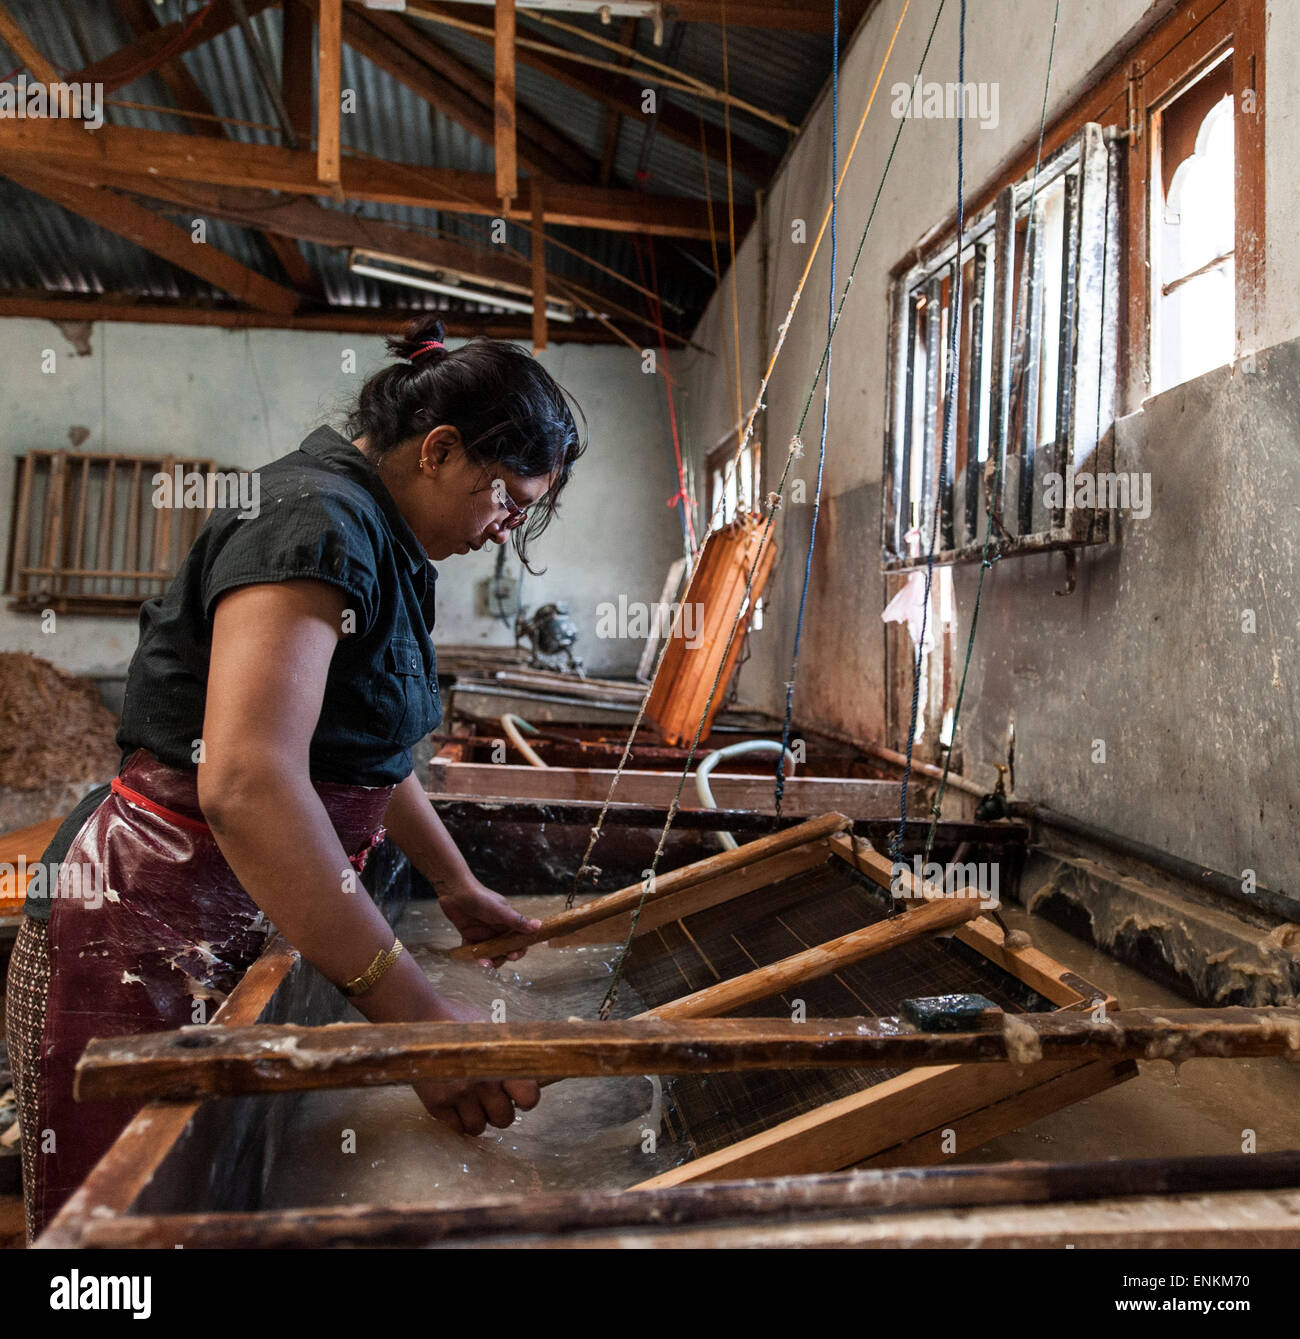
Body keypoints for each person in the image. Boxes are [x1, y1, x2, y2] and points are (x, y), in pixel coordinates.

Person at [4, 315, 587, 1241]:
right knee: (117, 1245)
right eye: (508, 499)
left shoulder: (382, 537)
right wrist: (417, 1019)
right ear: (439, 450)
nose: (505, 530)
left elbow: (356, 756)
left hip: (229, 910)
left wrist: (456, 885)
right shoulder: (313, 522)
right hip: (142, 928)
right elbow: (249, 782)